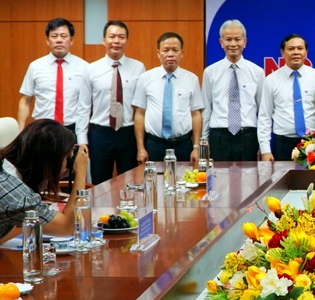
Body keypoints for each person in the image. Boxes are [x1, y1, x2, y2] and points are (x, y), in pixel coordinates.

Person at [0, 119, 89, 241]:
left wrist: (57, 172)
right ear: (50, 160)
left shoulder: (6, 168)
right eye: (66, 158)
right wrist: (81, 172)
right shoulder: (17, 197)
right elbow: (68, 228)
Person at [80, 21, 145, 184]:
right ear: (104, 40)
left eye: (121, 37)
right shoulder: (91, 69)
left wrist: (141, 143)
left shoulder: (138, 68)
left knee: (130, 183)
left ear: (126, 41)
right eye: (112, 36)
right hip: (100, 134)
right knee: (100, 184)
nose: (116, 41)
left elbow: (142, 107)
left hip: (128, 134)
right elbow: (83, 107)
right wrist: (82, 139)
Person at [18, 18, 90, 150]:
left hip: (72, 130)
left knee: (71, 164)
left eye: (63, 36)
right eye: (54, 36)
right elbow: (25, 100)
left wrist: (82, 138)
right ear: (47, 40)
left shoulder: (85, 67)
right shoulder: (35, 66)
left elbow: (87, 105)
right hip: (42, 129)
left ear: (71, 40)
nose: (59, 40)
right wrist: (21, 132)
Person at [258, 34, 315, 161]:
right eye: (291, 49)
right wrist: (265, 150)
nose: (296, 52)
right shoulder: (271, 80)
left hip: (313, 142)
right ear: (282, 52)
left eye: (300, 48)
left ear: (306, 52)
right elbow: (264, 117)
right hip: (282, 144)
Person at [133, 32, 204, 163]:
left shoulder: (192, 79)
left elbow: (196, 115)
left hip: (183, 145)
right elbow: (139, 114)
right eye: (165, 50)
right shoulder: (145, 78)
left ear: (181, 53)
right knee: (154, 176)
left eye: (175, 50)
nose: (170, 54)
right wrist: (140, 148)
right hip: (154, 144)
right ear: (158, 53)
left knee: (184, 176)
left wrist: (196, 147)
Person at [202, 20, 263, 161]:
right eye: (228, 39)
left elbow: (263, 111)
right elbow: (206, 109)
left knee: (249, 175)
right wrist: (204, 141)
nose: (233, 44)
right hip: (219, 136)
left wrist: (263, 144)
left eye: (237, 39)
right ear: (221, 42)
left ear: (245, 42)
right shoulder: (210, 72)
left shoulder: (257, 72)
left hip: (248, 136)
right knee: (219, 175)